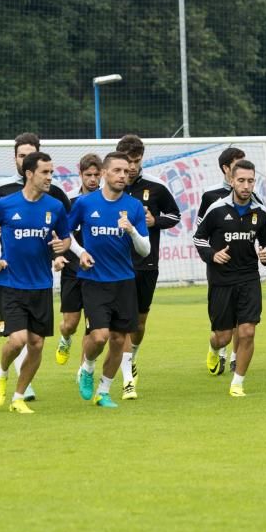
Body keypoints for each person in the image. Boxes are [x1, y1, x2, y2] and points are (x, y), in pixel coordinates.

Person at [0, 152, 70, 413]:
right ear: (29, 174)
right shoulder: (5, 204)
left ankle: (18, 398)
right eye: (45, 172)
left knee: (37, 344)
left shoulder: (55, 207)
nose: (50, 177)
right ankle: (2, 371)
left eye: (52, 172)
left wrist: (59, 250)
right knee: (18, 340)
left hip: (41, 286)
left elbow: (64, 240)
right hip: (11, 285)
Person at [69, 152, 151, 406]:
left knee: (118, 340)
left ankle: (103, 391)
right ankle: (88, 367)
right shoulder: (85, 203)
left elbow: (145, 249)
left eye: (126, 172)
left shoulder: (134, 207)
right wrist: (80, 252)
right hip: (93, 280)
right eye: (117, 171)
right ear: (104, 173)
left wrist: (132, 230)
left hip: (124, 282)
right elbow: (65, 233)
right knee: (100, 336)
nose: (122, 176)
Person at [194, 159, 266, 397]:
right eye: (241, 180)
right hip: (221, 281)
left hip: (249, 278)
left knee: (247, 331)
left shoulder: (260, 212)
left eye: (250, 181)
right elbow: (199, 238)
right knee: (224, 336)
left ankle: (237, 382)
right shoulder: (216, 209)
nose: (246, 185)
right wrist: (212, 255)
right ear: (231, 181)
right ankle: (213, 346)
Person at [114, 134, 182, 392]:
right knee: (122, 323)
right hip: (116, 265)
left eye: (137, 161)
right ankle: (126, 379)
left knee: (139, 322)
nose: (132, 167)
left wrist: (155, 222)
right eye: (128, 161)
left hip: (146, 264)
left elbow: (174, 215)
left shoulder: (156, 187)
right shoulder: (109, 187)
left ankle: (132, 356)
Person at [55, 153, 102, 365]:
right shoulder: (69, 200)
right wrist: (59, 256)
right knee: (70, 324)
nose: (93, 179)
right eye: (88, 175)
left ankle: (84, 370)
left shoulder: (107, 199)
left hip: (97, 272)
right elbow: (59, 232)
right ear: (80, 174)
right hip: (72, 268)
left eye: (96, 174)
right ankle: (65, 339)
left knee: (92, 326)